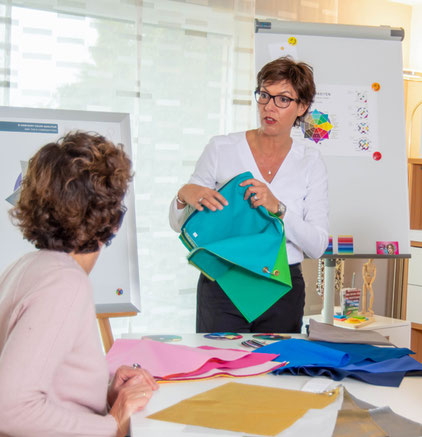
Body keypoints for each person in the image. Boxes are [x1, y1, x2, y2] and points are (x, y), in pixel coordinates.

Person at [0, 132, 159, 437]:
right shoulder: (65, 283)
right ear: (108, 217)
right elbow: (11, 409)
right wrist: (112, 425)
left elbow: (47, 375)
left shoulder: (25, 269)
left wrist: (103, 388)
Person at [169, 56, 329, 334]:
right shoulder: (221, 148)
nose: (269, 106)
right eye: (264, 95)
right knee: (219, 369)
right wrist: (183, 196)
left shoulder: (310, 161)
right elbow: (179, 224)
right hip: (223, 280)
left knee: (277, 374)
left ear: (302, 107)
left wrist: (278, 209)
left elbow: (317, 246)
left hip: (282, 286)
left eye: (283, 99)